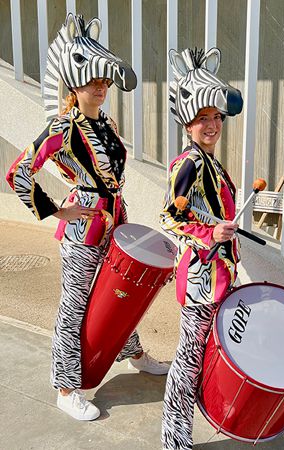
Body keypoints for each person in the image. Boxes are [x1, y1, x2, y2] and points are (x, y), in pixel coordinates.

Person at [6, 13, 168, 422]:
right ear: (74, 85)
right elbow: (18, 172)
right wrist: (54, 208)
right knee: (75, 306)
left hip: (117, 221)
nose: (101, 87)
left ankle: (134, 354)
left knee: (120, 293)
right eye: (93, 81)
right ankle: (65, 387)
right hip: (82, 229)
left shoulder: (108, 126)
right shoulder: (61, 128)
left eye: (104, 82)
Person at [160, 47, 243, 450]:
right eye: (202, 119)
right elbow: (170, 217)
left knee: (202, 352)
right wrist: (212, 235)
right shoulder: (189, 163)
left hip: (219, 272)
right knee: (189, 356)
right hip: (199, 276)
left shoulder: (213, 163)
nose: (211, 125)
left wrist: (224, 232)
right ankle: (173, 437)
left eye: (216, 117)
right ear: (187, 122)